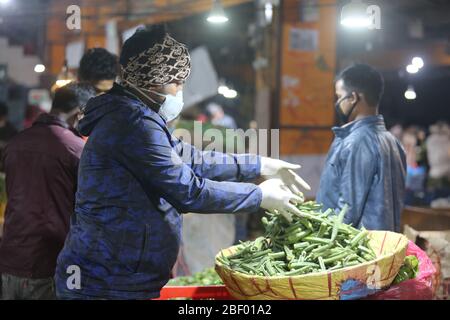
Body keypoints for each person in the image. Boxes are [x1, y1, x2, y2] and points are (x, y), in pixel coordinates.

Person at [55, 25, 310, 300]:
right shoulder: (132, 124)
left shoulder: (139, 117)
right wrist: (259, 195)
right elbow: (189, 191)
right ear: (153, 79)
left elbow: (193, 159)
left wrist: (258, 165)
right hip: (106, 284)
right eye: (177, 82)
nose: (180, 91)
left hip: (119, 278)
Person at [0, 83, 96, 300]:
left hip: (9, 260)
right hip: (48, 264)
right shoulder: (77, 151)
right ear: (80, 113)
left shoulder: (15, 143)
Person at [316, 64, 406, 232]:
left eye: (339, 96)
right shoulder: (393, 142)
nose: (337, 103)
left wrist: (320, 241)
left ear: (353, 98)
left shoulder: (356, 142)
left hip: (359, 252)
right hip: (385, 246)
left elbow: (347, 212)